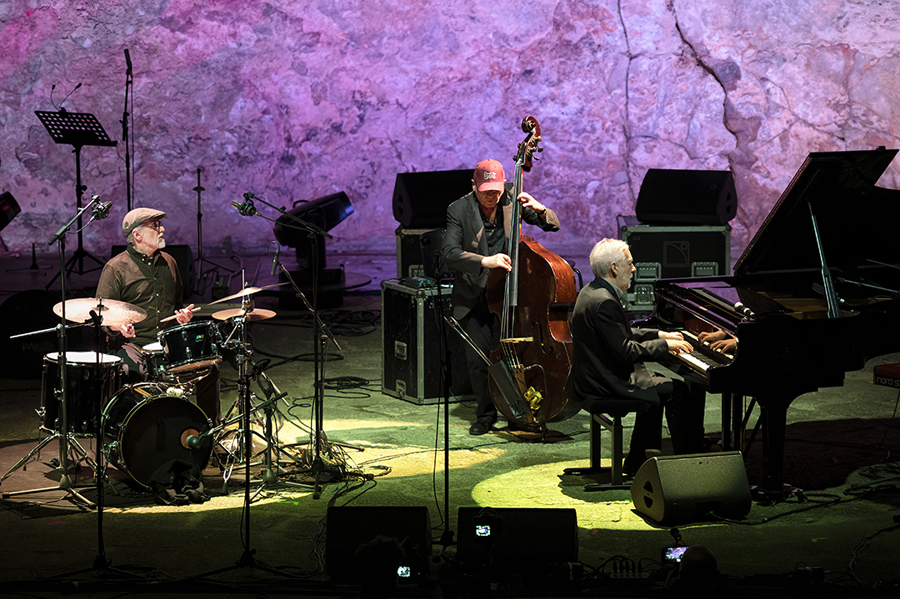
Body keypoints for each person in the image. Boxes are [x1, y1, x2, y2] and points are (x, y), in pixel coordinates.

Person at [440, 159, 561, 435]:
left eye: (495, 190)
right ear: (474, 186)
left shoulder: (513, 198)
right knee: (480, 359)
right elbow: (449, 253)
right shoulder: (458, 209)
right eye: (485, 191)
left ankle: (516, 409)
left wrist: (539, 209)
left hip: (509, 295)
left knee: (512, 354)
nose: (492, 196)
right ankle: (485, 413)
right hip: (475, 296)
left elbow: (552, 225)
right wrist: (486, 260)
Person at [567, 238, 705, 474]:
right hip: (605, 383)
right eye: (629, 264)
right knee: (678, 391)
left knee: (655, 383)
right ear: (614, 268)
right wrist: (665, 346)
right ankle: (688, 463)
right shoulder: (605, 302)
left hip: (591, 377)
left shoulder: (592, 291)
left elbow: (619, 333)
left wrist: (658, 333)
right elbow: (626, 351)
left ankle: (638, 459)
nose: (633, 269)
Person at [96, 207, 221, 425]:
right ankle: (133, 436)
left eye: (160, 225)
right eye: (155, 226)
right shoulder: (115, 268)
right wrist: (119, 327)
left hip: (167, 345)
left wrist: (182, 317)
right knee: (130, 371)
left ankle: (208, 432)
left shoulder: (169, 262)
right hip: (132, 344)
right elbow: (102, 317)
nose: (162, 229)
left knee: (209, 368)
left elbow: (177, 305)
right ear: (137, 235)